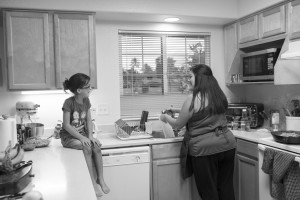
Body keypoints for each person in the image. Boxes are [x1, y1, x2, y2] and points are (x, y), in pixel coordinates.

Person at [160, 64, 236, 200]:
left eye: (191, 76)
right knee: (225, 187)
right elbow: (203, 111)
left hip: (204, 150)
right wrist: (178, 110)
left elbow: (177, 125)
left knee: (208, 192)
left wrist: (165, 117)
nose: (189, 79)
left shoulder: (193, 98)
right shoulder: (218, 95)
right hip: (227, 145)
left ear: (199, 78)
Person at [59, 73, 110, 198]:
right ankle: (92, 183)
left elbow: (88, 121)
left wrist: (90, 137)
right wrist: (82, 138)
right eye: (88, 87)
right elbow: (66, 125)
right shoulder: (68, 103)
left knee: (96, 146)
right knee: (86, 147)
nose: (90, 89)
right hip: (68, 137)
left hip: (82, 134)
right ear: (79, 90)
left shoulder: (86, 101)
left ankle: (100, 180)